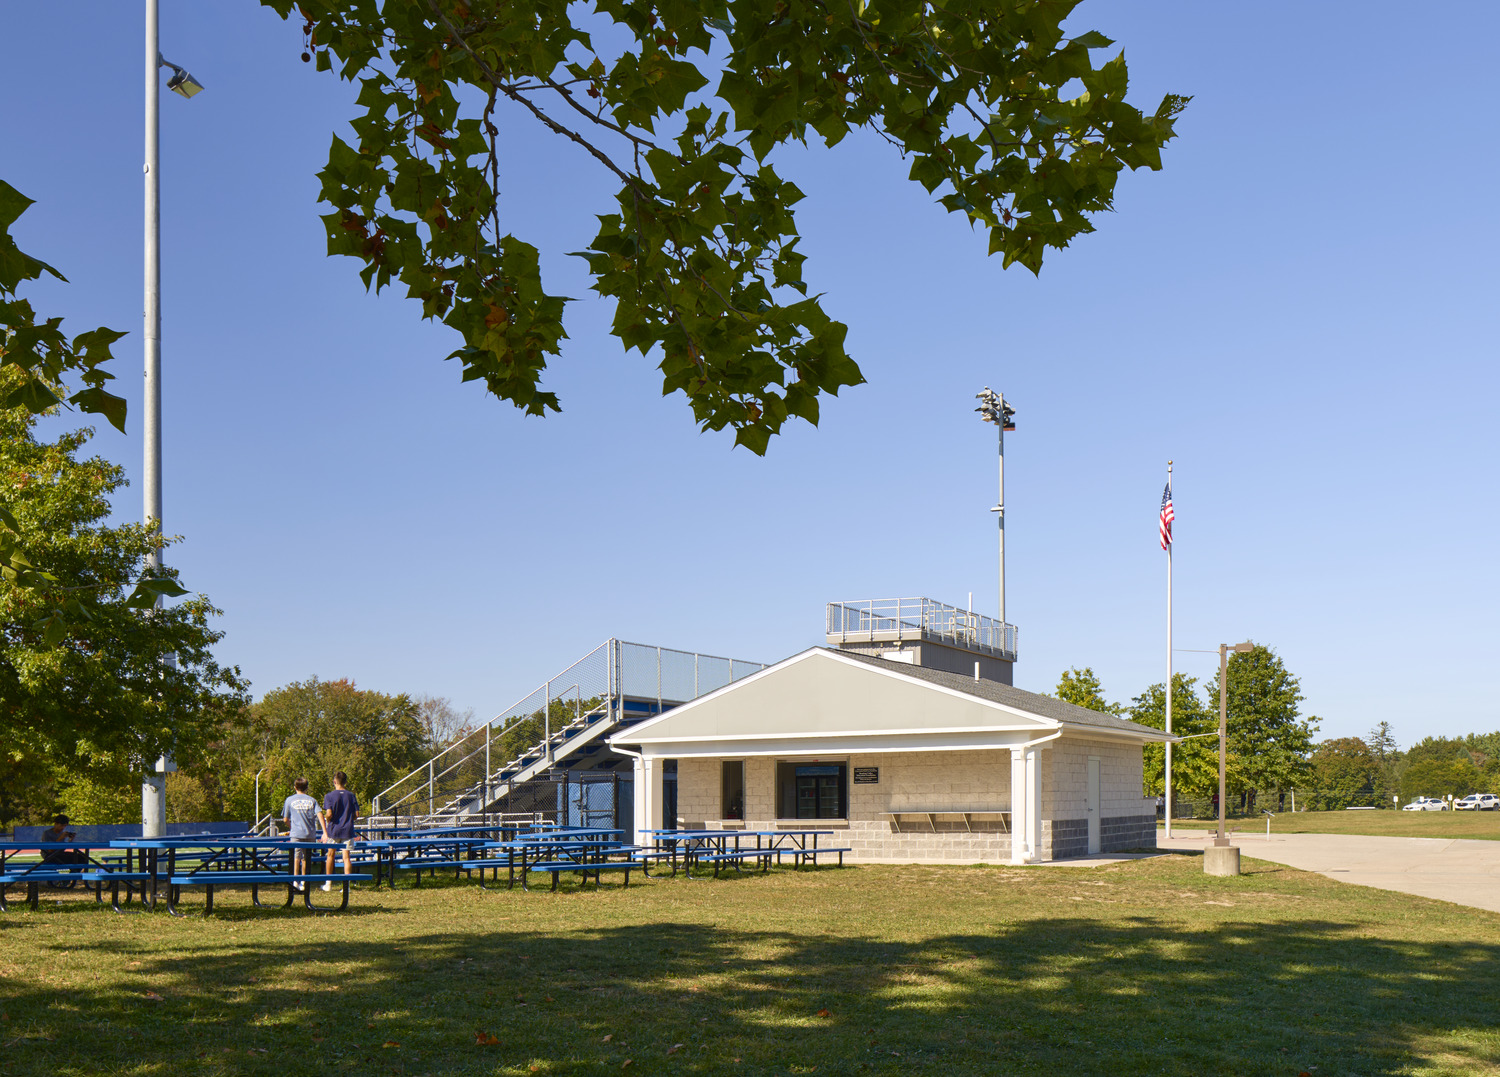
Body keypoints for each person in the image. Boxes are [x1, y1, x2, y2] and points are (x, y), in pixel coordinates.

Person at [321, 771, 360, 891]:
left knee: (330, 856)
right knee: (346, 857)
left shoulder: (329, 796)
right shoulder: (351, 795)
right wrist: (349, 818)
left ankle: (328, 883)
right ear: (346, 782)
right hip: (348, 830)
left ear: (334, 781)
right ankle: (346, 885)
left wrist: (327, 819)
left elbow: (329, 814)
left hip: (334, 829)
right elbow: (356, 814)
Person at [280, 778, 321, 890]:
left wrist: (292, 827)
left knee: (296, 857)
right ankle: (304, 880)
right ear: (307, 788)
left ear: (295, 787)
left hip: (296, 834)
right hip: (309, 833)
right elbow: (319, 813)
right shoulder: (312, 800)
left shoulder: (289, 800)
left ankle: (295, 881)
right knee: (306, 858)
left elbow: (285, 819)